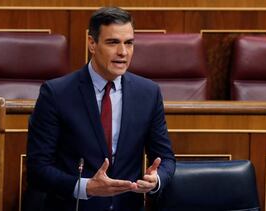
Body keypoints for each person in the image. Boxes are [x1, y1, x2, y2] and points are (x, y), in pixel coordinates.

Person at [26, 7, 176, 211]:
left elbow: (166, 158)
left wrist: (156, 180)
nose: (123, 52)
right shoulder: (56, 93)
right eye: (113, 42)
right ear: (92, 44)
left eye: (129, 43)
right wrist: (86, 187)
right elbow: (37, 169)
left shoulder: (148, 93)